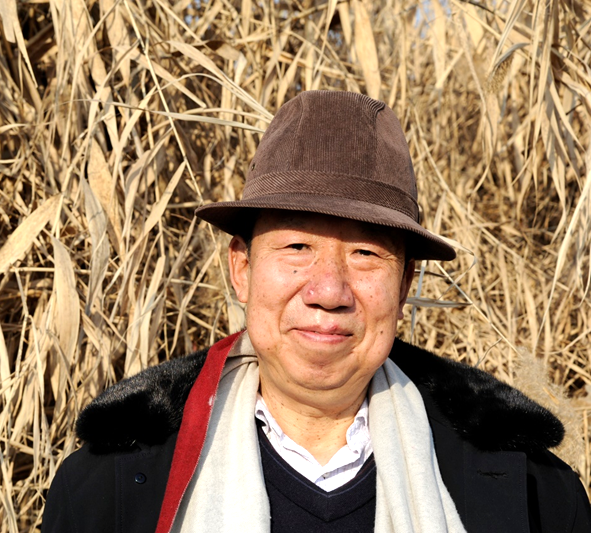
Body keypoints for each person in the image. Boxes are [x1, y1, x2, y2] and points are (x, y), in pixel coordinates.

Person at [41, 91, 591, 533]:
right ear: (242, 269)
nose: (329, 290)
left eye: (366, 254)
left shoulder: (534, 495)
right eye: (297, 247)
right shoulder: (109, 489)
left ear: (404, 286)